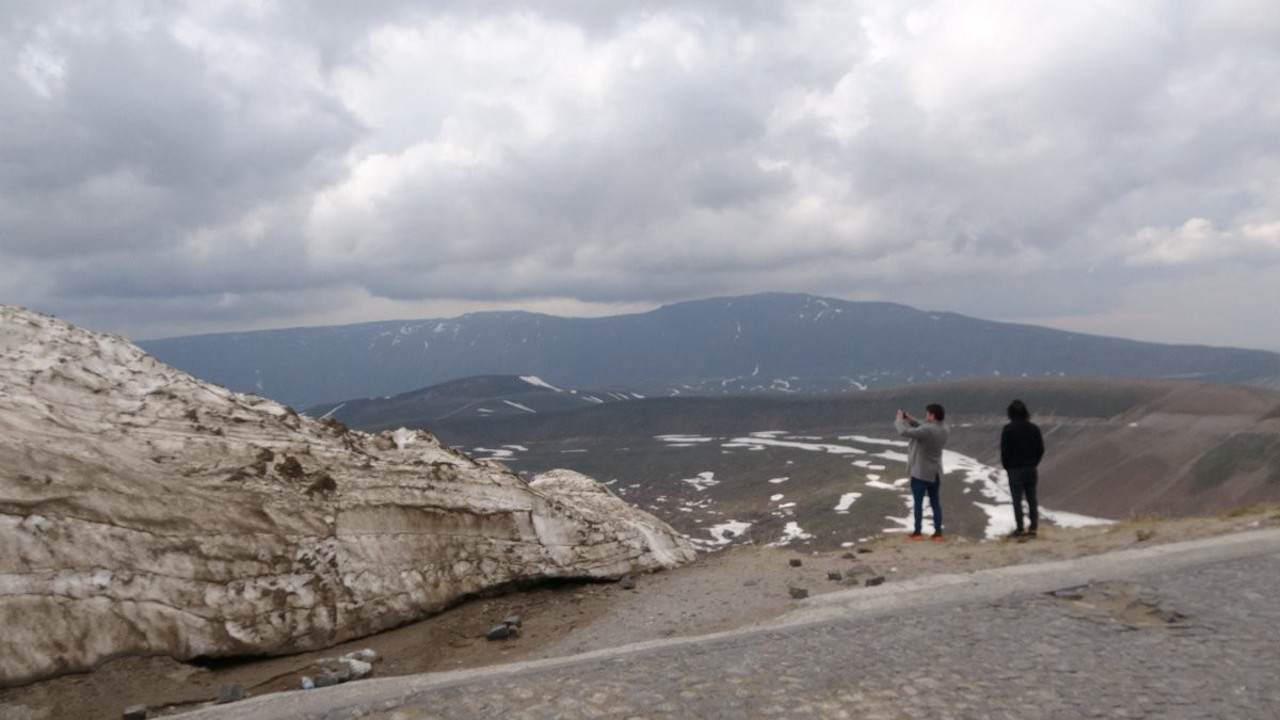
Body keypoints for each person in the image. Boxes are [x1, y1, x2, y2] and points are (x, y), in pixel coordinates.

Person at [895, 403, 950, 541]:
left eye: (927, 414)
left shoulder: (927, 430)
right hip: (934, 472)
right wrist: (911, 420)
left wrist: (899, 420)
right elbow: (924, 427)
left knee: (918, 503)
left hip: (920, 472)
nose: (926, 417)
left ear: (932, 415)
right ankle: (938, 533)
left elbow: (904, 432)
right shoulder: (945, 428)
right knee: (935, 503)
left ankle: (917, 532)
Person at [1000, 399, 1045, 539]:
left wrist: (1007, 467)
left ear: (1010, 413)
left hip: (1015, 469)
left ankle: (1020, 529)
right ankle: (1033, 528)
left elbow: (1005, 451)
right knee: (1032, 498)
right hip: (1031, 468)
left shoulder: (1008, 429)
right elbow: (1041, 449)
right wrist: (1034, 462)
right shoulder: (1034, 428)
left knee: (1017, 499)